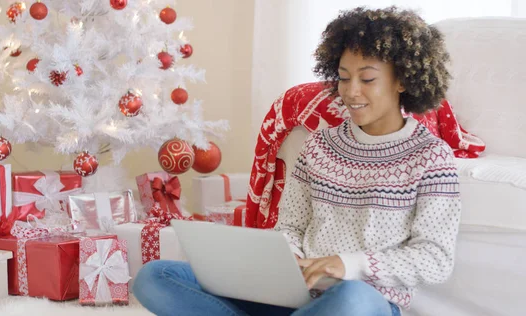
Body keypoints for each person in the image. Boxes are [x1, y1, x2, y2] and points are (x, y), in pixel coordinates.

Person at [132, 6, 460, 316]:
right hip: (297, 295)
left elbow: (435, 259)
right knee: (155, 276)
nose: (351, 91)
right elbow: (290, 226)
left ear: (402, 80)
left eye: (367, 79)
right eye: (344, 78)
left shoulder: (432, 158)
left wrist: (348, 265)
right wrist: (288, 259)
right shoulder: (319, 145)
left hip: (364, 302)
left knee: (351, 296)